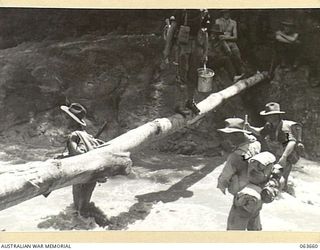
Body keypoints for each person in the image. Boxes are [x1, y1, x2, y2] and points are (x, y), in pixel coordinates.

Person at [60, 103, 106, 217]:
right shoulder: (87, 135)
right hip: (92, 174)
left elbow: (77, 155)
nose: (65, 120)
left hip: (81, 173)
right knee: (84, 206)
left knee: (78, 208)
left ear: (72, 121)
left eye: (67, 117)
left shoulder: (73, 135)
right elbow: (86, 150)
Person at [244, 102, 303, 191]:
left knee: (282, 176)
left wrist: (284, 157)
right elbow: (260, 131)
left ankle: (284, 190)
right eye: (267, 115)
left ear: (276, 116)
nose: (267, 117)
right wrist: (250, 128)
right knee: (273, 174)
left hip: (286, 155)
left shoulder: (284, 127)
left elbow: (292, 142)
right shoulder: (269, 126)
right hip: (276, 153)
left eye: (270, 115)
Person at [163, 9, 210, 117]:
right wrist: (167, 49)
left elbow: (205, 33)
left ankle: (190, 101)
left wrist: (205, 52)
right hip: (183, 46)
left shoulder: (204, 12)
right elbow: (172, 30)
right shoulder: (182, 10)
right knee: (181, 76)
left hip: (197, 45)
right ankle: (179, 105)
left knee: (193, 76)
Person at [216, 118, 261, 230]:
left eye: (229, 135)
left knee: (233, 232)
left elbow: (224, 177)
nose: (227, 138)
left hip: (243, 198)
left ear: (237, 135)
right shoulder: (256, 144)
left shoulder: (235, 156)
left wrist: (222, 186)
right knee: (254, 230)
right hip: (257, 194)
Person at [229, 152, 284, 230]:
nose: (255, 167)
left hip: (247, 199)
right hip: (257, 200)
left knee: (234, 233)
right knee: (254, 225)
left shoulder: (247, 185)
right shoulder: (272, 181)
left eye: (259, 166)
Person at [215, 10, 245, 81]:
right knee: (227, 52)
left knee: (236, 51)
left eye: (228, 12)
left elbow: (235, 37)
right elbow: (218, 35)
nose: (226, 14)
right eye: (225, 12)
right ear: (222, 13)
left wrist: (225, 37)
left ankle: (241, 72)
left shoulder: (233, 22)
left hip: (231, 42)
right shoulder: (218, 21)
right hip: (220, 42)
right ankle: (233, 75)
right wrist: (224, 37)